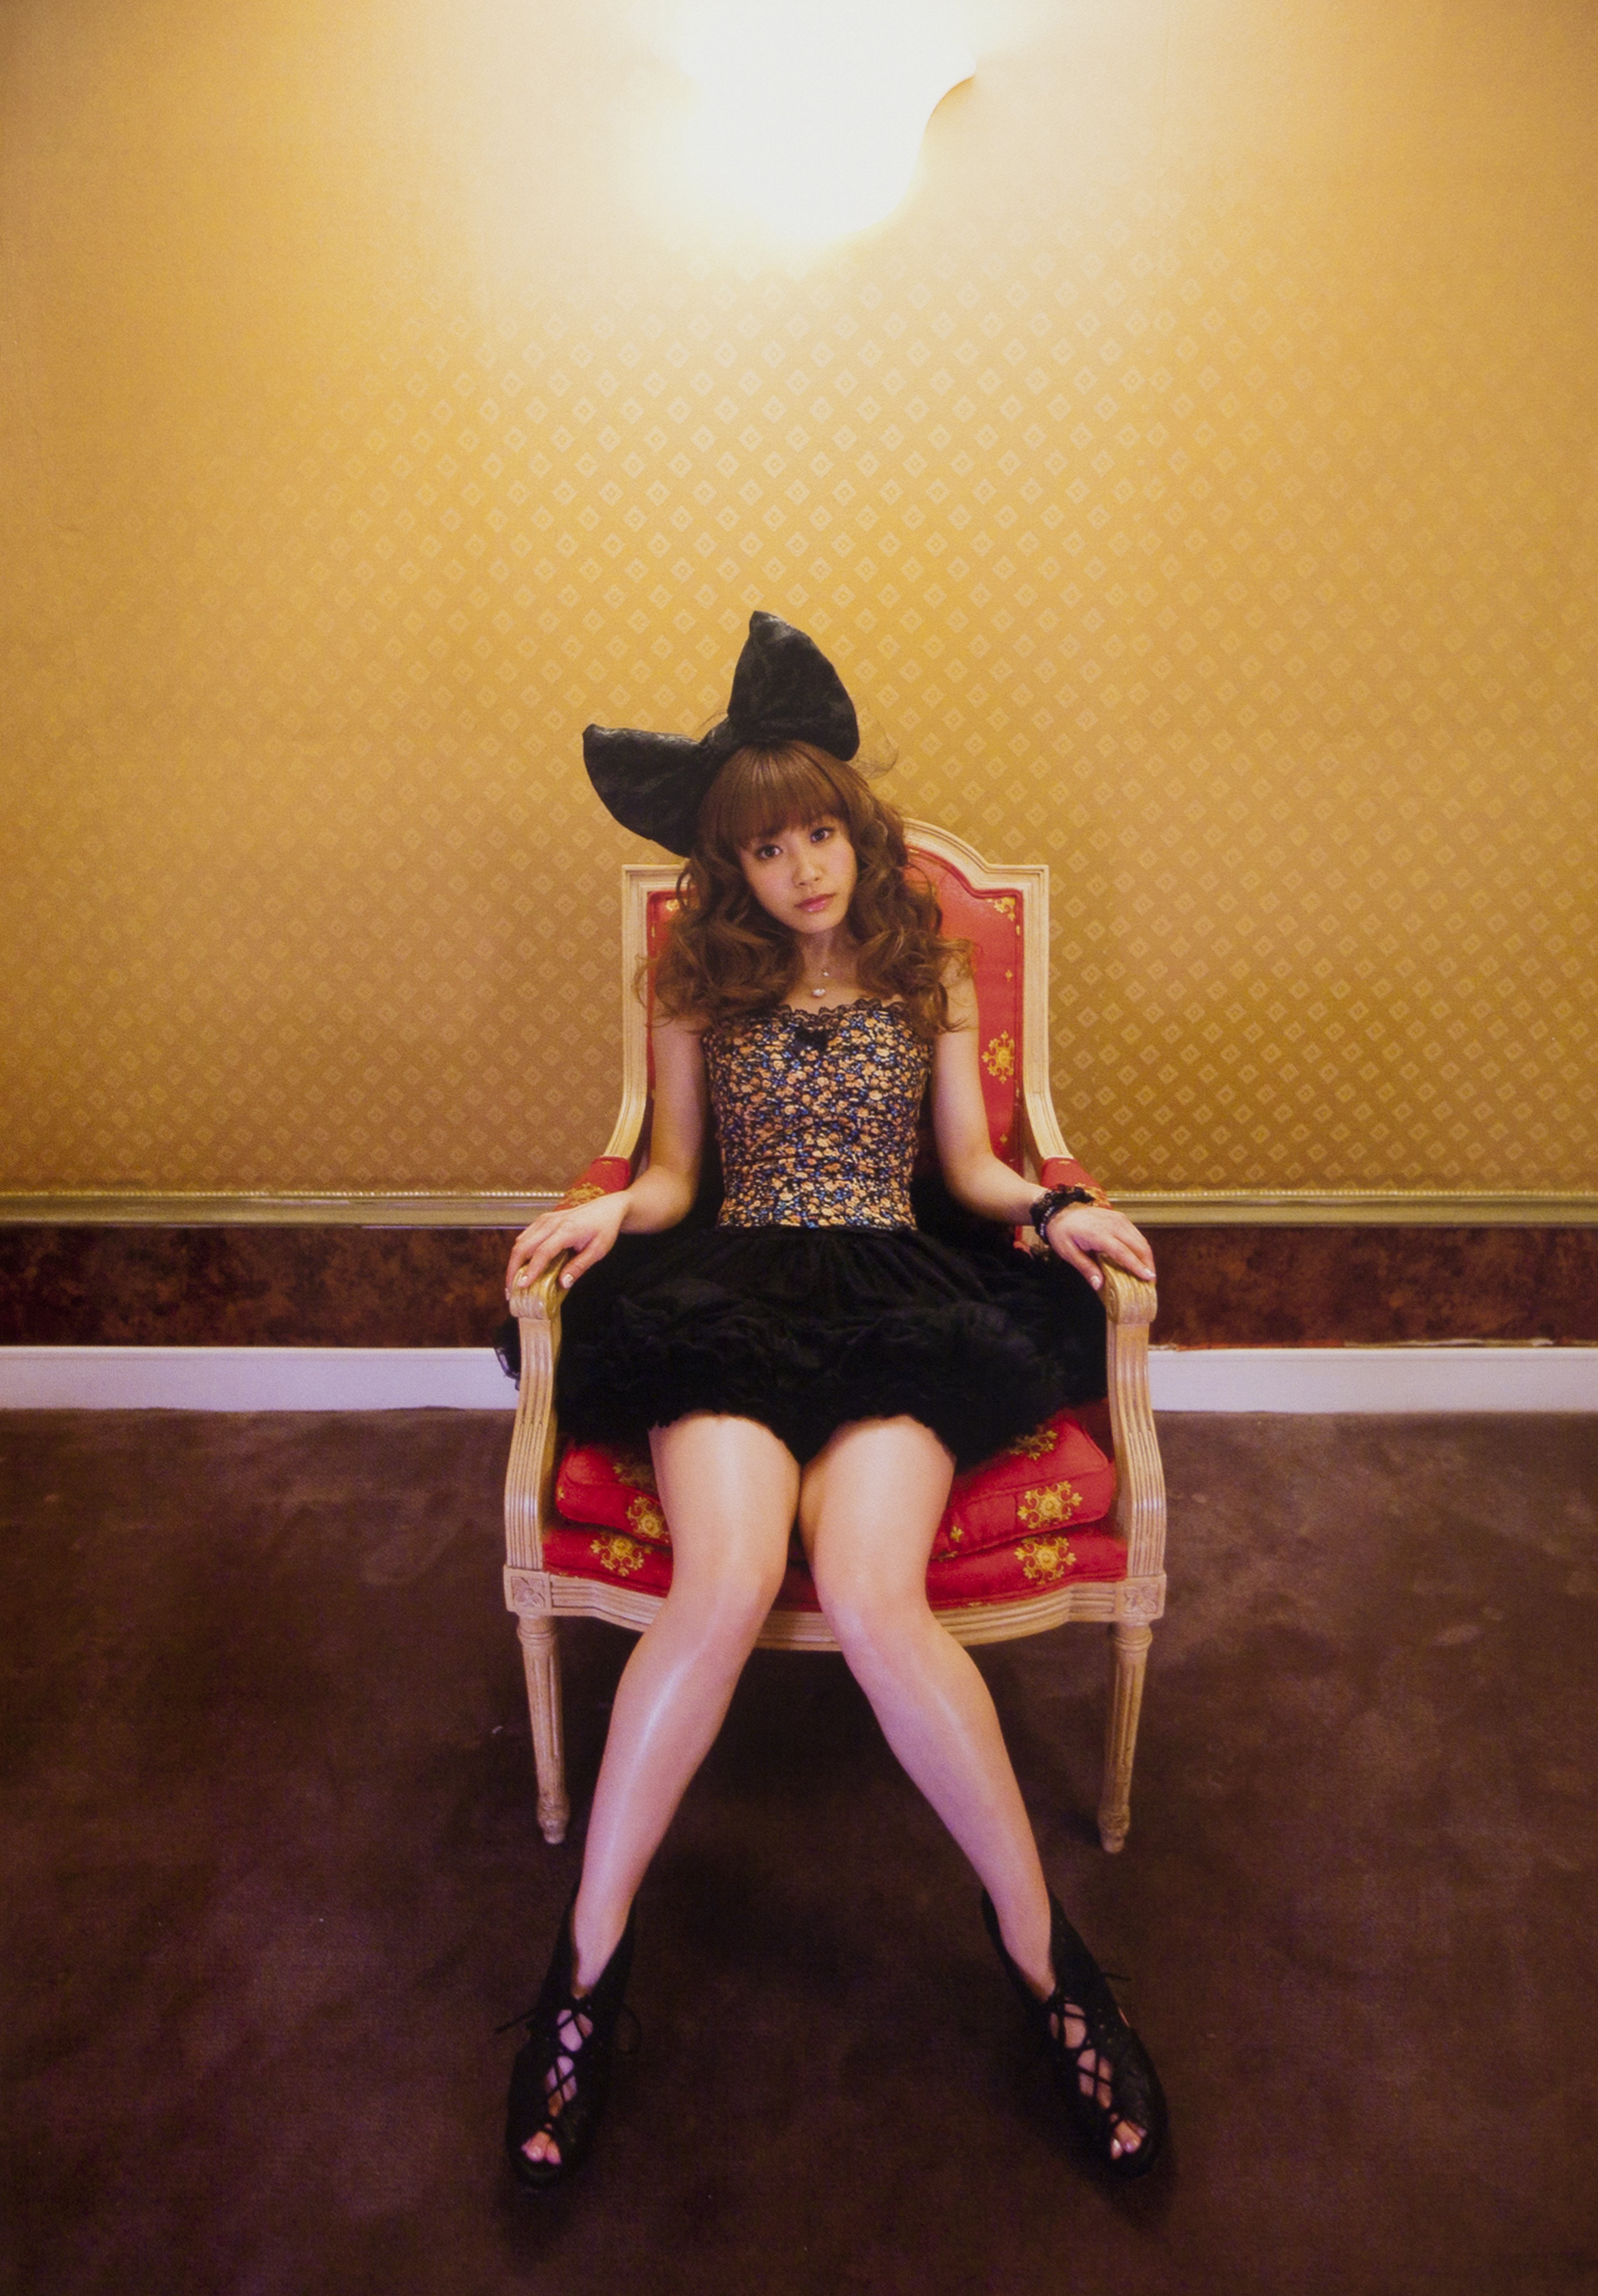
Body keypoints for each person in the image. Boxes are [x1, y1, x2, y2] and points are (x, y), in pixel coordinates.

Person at [499, 613, 1168, 2188]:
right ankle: (584, 1971)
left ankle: (1048, 1962)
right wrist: (607, 1212)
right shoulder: (694, 981)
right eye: (764, 849)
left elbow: (970, 1168)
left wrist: (1055, 1206)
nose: (801, 869)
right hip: (726, 1294)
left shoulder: (925, 967)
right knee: (724, 1578)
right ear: (728, 869)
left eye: (816, 834)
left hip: (898, 1297)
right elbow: (675, 1176)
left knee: (872, 1591)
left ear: (853, 830)